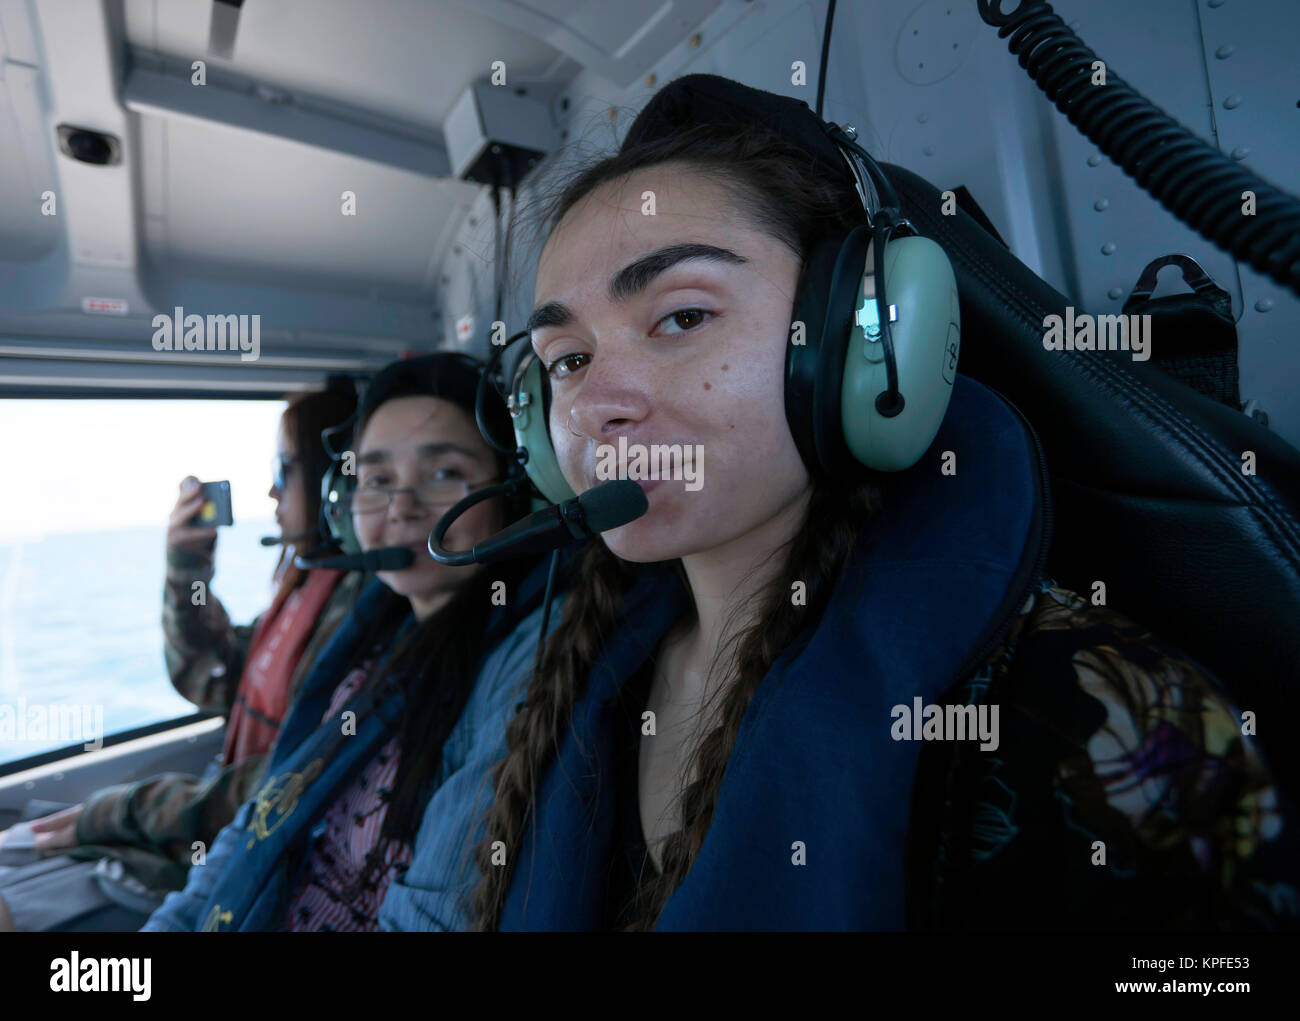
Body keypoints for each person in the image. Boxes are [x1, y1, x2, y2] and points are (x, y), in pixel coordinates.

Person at [466, 74, 1298, 931]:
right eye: (567, 358)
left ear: (865, 333)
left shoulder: (1096, 713)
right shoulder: (581, 674)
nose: (596, 401)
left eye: (681, 317)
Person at [142, 352, 557, 931]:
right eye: (378, 480)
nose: (403, 508)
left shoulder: (523, 654)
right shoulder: (372, 629)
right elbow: (256, 822)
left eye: (444, 474)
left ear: (513, 488)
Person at [0, 383, 361, 931]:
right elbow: (208, 676)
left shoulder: (358, 612)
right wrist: (186, 567)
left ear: (332, 476)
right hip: (216, 842)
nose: (269, 490)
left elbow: (279, 781)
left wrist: (117, 812)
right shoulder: (305, 589)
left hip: (247, 862)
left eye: (284, 469)